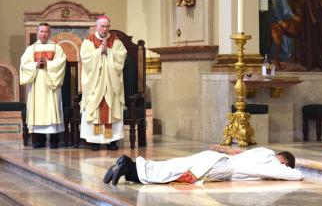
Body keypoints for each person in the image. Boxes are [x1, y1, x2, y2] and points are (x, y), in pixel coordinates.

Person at [103, 147, 303, 185]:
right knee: (173, 174)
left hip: (214, 159)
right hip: (221, 167)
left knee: (172, 166)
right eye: (284, 165)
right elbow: (296, 176)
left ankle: (127, 166)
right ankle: (129, 167)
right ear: (283, 161)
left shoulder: (262, 151)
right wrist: (290, 170)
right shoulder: (271, 160)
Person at [80, 16, 127, 151]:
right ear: (97, 26)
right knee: (94, 109)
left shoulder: (115, 41)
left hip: (111, 84)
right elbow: (85, 59)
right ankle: (95, 141)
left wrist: (109, 52)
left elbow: (121, 56)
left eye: (107, 26)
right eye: (102, 26)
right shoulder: (88, 41)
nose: (105, 29)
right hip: (95, 83)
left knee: (112, 108)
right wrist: (99, 51)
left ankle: (111, 141)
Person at [20, 22, 66, 149]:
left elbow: (61, 63)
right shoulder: (31, 49)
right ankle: (38, 141)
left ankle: (54, 141)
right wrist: (35, 65)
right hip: (37, 86)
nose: (44, 34)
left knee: (53, 110)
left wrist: (48, 64)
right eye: (41, 31)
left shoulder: (57, 48)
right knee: (37, 110)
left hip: (52, 85)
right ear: (37, 32)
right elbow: (24, 65)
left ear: (49, 33)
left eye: (46, 31)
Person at [269, 0, 301, 69]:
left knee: (292, 31)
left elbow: (287, 9)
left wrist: (293, 16)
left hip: (287, 19)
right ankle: (278, 58)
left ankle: (288, 57)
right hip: (277, 21)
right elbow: (276, 12)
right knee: (279, 35)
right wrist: (280, 21)